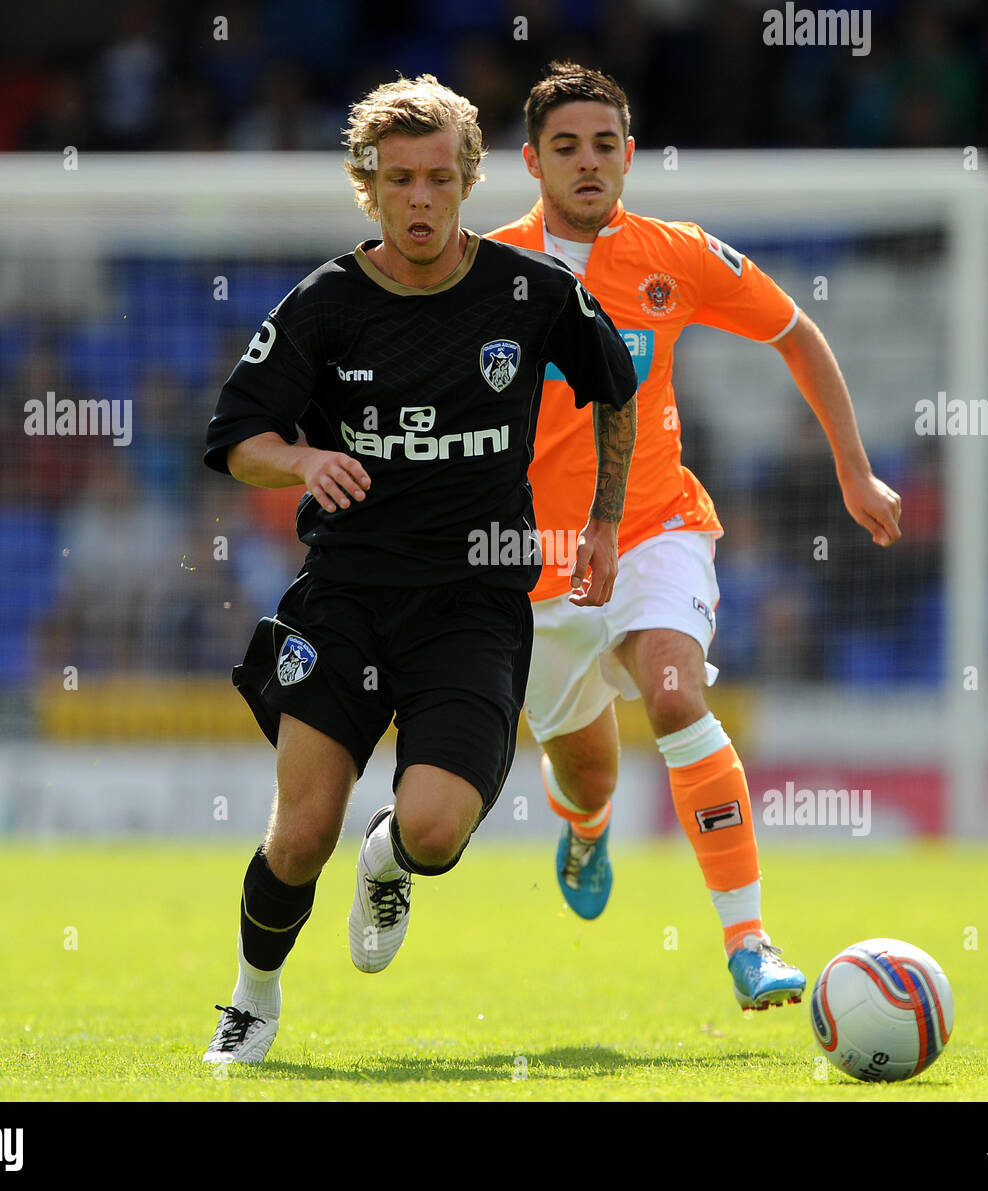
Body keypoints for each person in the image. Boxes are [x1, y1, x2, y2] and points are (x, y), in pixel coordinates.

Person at [200, 74, 638, 1063]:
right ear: (369, 185)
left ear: (471, 179)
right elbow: (236, 438)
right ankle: (251, 995)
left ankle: (387, 861)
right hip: (345, 597)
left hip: (474, 602)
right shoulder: (326, 303)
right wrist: (305, 457)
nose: (422, 200)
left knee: (435, 831)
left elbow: (618, 387)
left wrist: (605, 523)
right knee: (300, 831)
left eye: (440, 178)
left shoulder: (531, 293)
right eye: (400, 179)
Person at [486, 62, 902, 1011]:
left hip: (654, 527)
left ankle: (749, 940)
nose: (587, 163)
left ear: (628, 157)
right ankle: (584, 823)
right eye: (565, 148)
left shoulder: (677, 255)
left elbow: (796, 331)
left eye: (603, 145)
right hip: (536, 567)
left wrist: (851, 464)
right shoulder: (490, 271)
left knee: (673, 693)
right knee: (586, 772)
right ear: (532, 163)